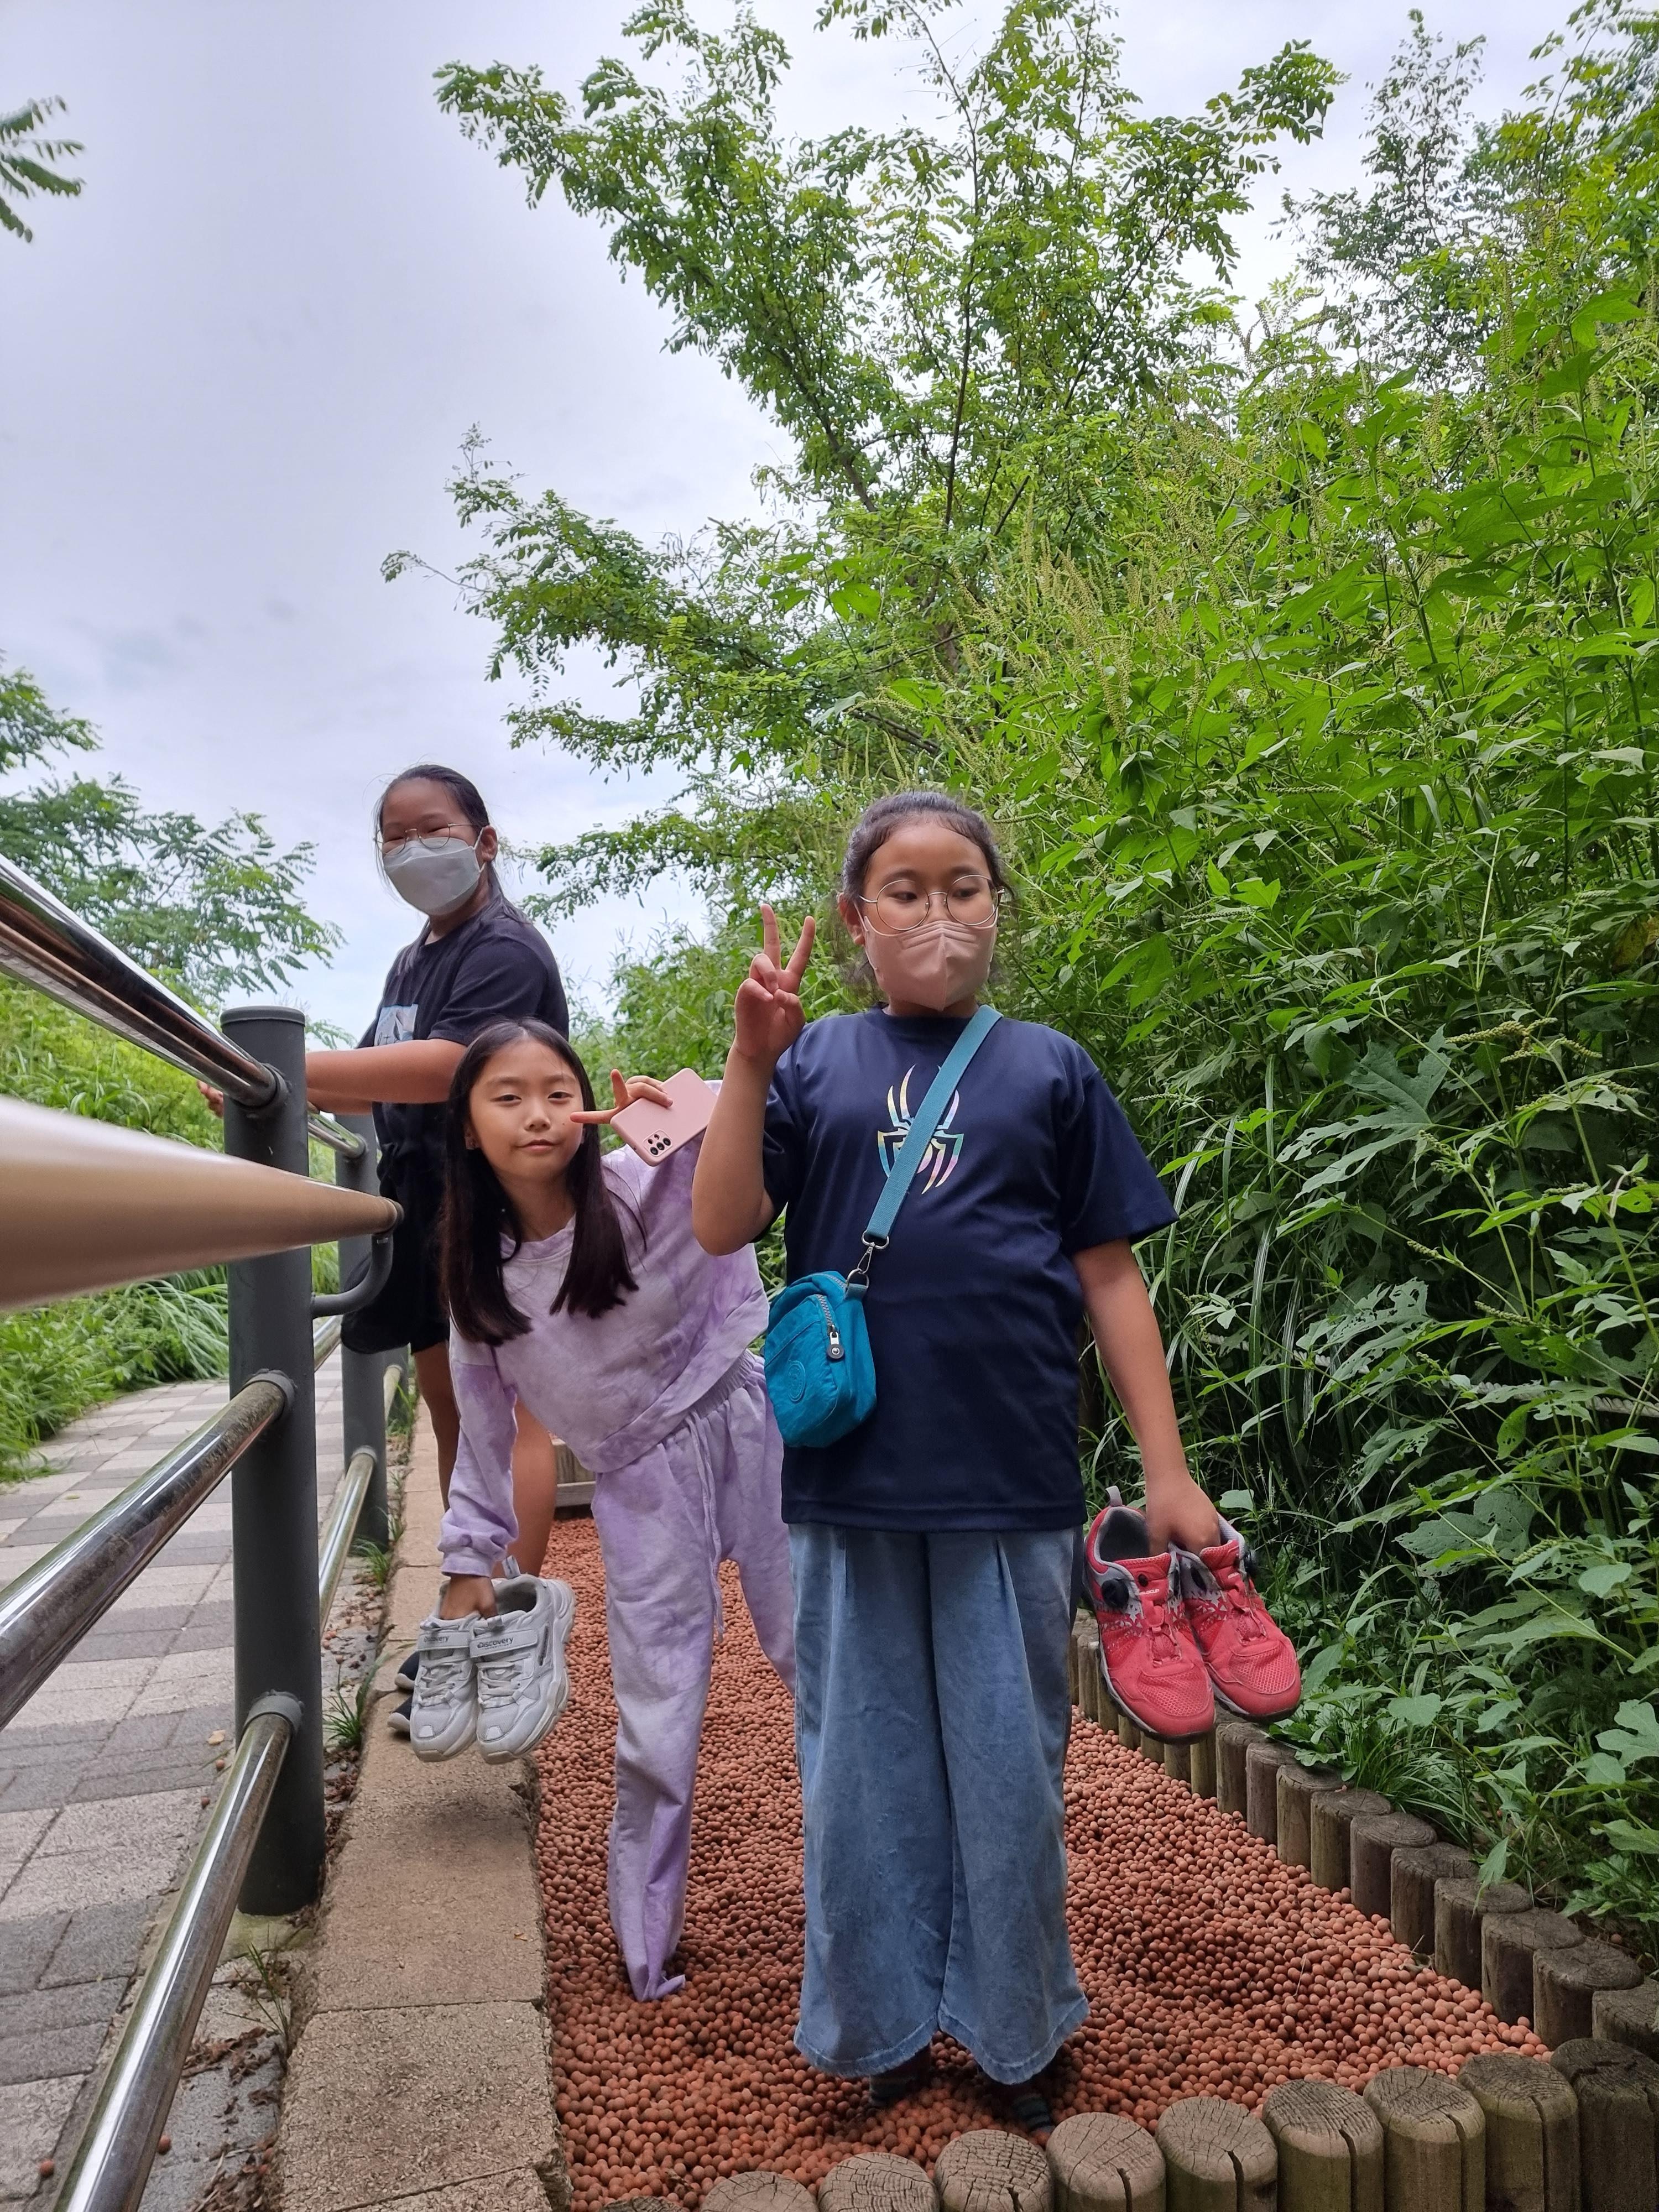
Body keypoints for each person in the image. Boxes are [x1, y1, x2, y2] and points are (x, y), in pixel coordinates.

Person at [690, 790, 1225, 2133]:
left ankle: (1015, 2027)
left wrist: (1166, 1471)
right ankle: (876, 2023)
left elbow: (1112, 1276)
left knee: (1008, 1771)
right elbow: (720, 1222)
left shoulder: (1051, 1068)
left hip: (1010, 1477)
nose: (938, 912)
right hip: (851, 1482)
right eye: (906, 889)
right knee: (859, 1778)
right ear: (854, 918)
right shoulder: (815, 1063)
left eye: (964, 886)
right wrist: (750, 1060)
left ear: (998, 906)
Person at [413, 1018, 795, 2002]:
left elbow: (743, 1158)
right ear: (467, 1129)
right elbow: (484, 1436)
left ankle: (875, 1894)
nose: (538, 1115)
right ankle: (646, 1943)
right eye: (507, 1097)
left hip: (748, 1424)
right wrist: (468, 1560)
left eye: (557, 1092)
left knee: (824, 1653)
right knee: (658, 1708)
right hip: (640, 1489)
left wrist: (680, 1110)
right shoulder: (481, 1282)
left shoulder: (636, 1179)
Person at [302, 764, 572, 1729]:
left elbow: (453, 1065)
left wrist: (290, 1064)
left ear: (484, 842)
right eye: (393, 835)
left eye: (433, 829)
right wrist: (273, 1080)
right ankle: (469, 1595)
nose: (411, 849)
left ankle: (508, 1622)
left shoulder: (504, 949)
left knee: (513, 1413)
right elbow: (370, 1070)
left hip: (492, 1197)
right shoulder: (413, 959)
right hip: (424, 1199)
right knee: (454, 1405)